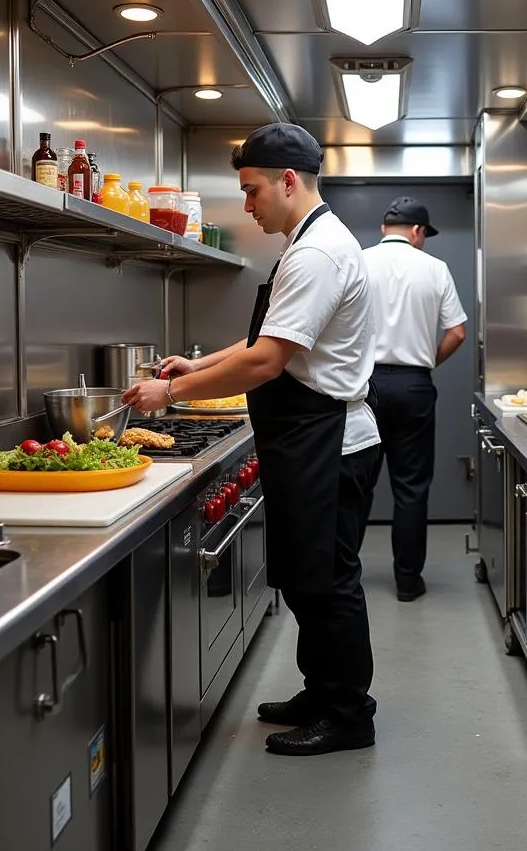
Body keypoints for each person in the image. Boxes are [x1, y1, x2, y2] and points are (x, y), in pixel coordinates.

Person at [122, 123, 381, 757]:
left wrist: (170, 395)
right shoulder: (307, 243)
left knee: (327, 583)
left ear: (288, 181)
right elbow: (273, 338)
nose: (247, 204)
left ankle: (348, 714)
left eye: (252, 189)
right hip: (309, 438)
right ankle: (320, 691)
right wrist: (199, 365)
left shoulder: (318, 253)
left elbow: (268, 362)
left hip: (330, 440)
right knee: (304, 580)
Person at [361, 196, 467, 602]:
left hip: (363, 388)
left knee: (356, 484)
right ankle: (407, 582)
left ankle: (344, 577)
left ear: (386, 227)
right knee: (411, 489)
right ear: (418, 231)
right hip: (414, 386)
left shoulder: (360, 260)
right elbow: (456, 331)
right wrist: (424, 364)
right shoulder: (435, 268)